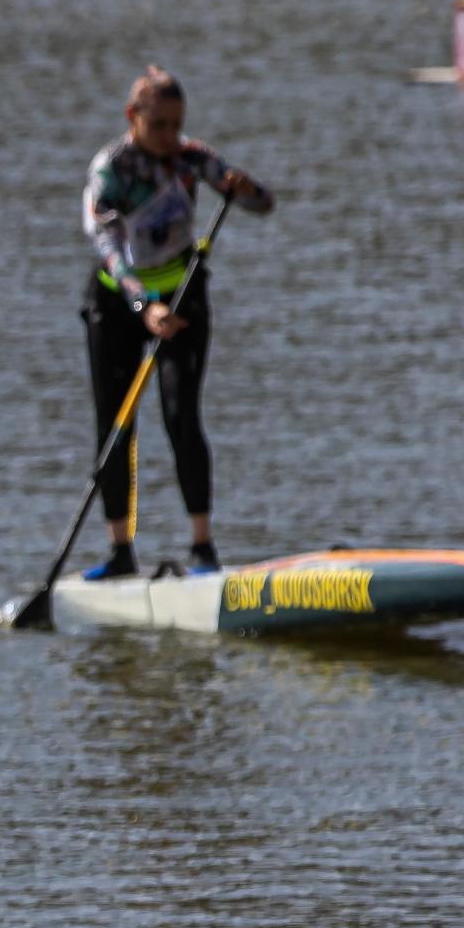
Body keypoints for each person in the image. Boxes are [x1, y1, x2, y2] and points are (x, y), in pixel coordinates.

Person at [78, 65, 275, 579]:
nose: (169, 136)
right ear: (132, 117)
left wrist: (245, 188)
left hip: (183, 298)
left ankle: (203, 548)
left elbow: (263, 205)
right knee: (115, 425)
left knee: (181, 416)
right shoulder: (111, 171)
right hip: (119, 301)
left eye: (176, 124)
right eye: (158, 125)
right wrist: (144, 307)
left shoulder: (193, 159)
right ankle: (121, 551)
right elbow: (109, 248)